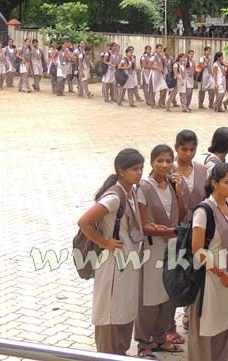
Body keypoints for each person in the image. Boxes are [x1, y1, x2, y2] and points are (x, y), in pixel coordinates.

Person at [77, 149, 145, 355]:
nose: (140, 173)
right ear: (121, 171)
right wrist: (104, 242)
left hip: (128, 261)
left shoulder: (132, 191)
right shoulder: (114, 197)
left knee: (124, 311)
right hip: (113, 264)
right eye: (135, 169)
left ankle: (120, 353)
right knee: (110, 314)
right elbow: (84, 221)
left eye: (141, 168)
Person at [135, 145, 186, 359]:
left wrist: (180, 191)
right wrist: (166, 231)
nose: (164, 165)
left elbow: (182, 214)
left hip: (172, 246)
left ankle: (160, 336)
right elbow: (142, 224)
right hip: (153, 248)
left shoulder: (173, 184)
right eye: (159, 161)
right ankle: (143, 342)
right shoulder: (144, 187)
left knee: (168, 293)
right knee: (150, 295)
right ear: (151, 162)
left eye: (168, 161)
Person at [187, 162, 228, 361]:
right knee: (206, 327)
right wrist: (220, 272)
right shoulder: (204, 211)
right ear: (214, 183)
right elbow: (197, 249)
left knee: (224, 324)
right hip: (210, 276)